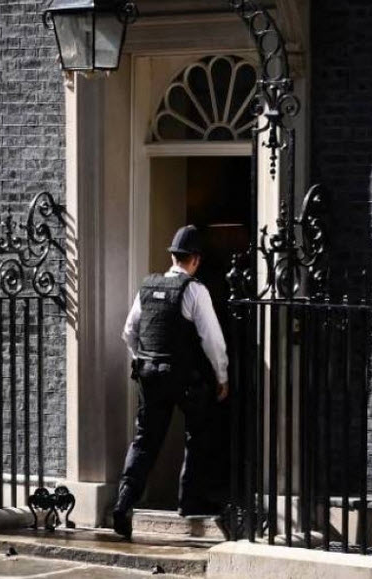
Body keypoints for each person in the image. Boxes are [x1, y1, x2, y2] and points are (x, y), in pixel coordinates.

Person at [113, 225, 229, 539]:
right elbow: (213, 341)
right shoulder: (194, 290)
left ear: (173, 257)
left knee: (145, 440)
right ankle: (189, 502)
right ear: (195, 259)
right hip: (183, 377)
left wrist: (143, 357)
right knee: (199, 430)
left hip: (149, 375)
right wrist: (222, 376)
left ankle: (124, 503)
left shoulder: (147, 287)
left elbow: (128, 331)